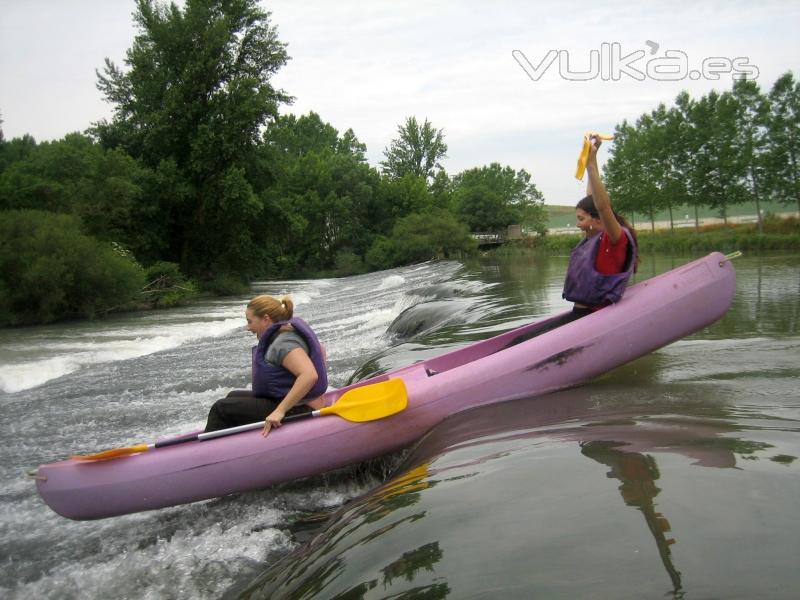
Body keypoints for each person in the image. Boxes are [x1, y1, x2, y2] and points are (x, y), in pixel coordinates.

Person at [506, 134, 638, 347]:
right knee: (518, 339)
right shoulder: (594, 237)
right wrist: (589, 161)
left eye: (580, 219)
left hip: (591, 319)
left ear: (598, 219)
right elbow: (592, 198)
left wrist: (592, 164)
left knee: (522, 343)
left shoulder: (615, 239)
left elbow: (602, 205)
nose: (578, 224)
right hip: (578, 314)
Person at [204, 295, 328, 436]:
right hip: (301, 402)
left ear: (266, 319)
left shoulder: (283, 343)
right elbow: (321, 349)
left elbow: (309, 375)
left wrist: (279, 411)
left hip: (302, 407)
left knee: (221, 409)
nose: (248, 328)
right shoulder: (285, 331)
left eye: (250, 322)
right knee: (233, 396)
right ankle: (236, 440)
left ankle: (206, 453)